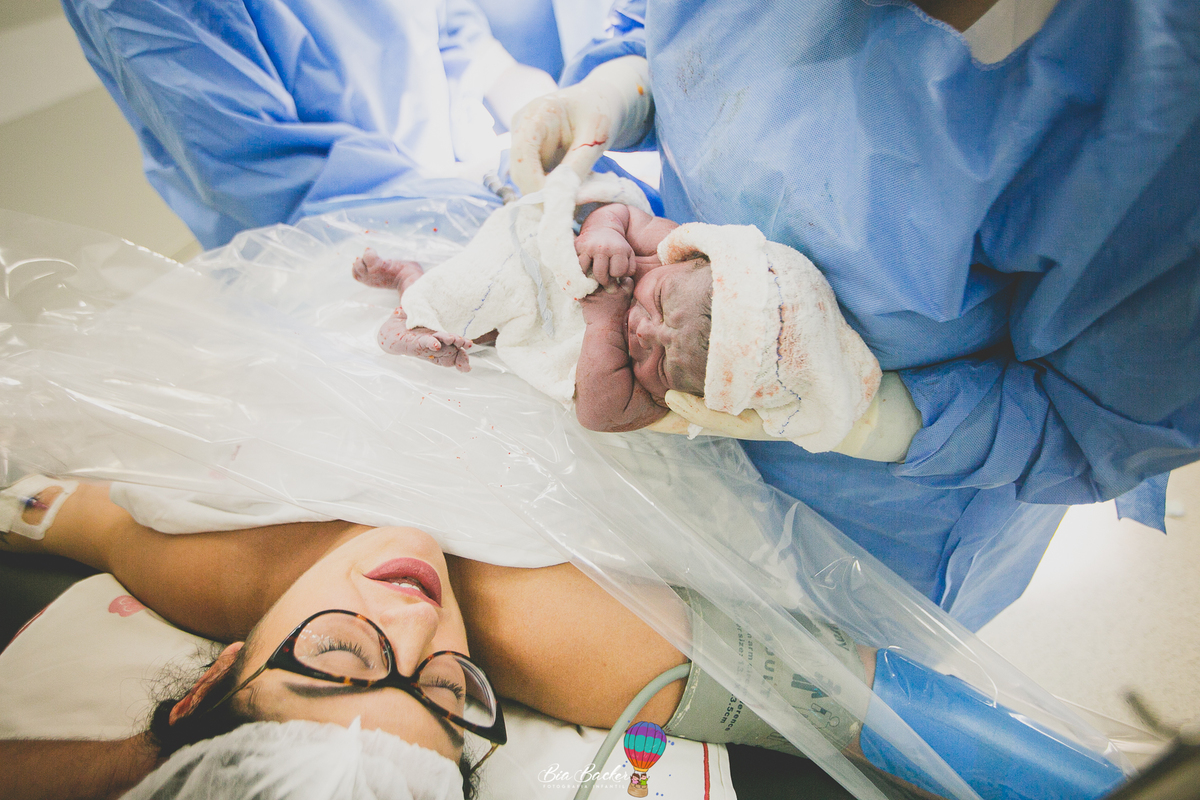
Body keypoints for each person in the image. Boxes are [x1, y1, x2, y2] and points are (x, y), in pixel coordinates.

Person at [508, 0, 1200, 631]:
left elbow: (1093, 422)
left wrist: (868, 419)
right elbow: (680, 34)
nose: (642, 327)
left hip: (870, 519)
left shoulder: (1155, 110)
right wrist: (617, 91)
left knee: (802, 667)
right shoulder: (669, 253)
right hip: (670, 480)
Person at [1, 476, 1128, 800]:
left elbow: (72, 511)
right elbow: (886, 709)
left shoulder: (219, 562)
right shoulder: (525, 624)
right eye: (451, 691)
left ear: (211, 680)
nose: (414, 617)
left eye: (340, 656)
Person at [358, 192, 881, 451]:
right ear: (692, 259)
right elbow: (618, 211)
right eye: (661, 301)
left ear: (691, 393)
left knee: (481, 325)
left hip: (542, 330)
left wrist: (605, 324)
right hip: (541, 264)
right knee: (490, 277)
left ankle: (412, 286)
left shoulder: (662, 398)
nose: (644, 331)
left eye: (661, 361)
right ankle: (412, 304)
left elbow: (598, 414)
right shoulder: (665, 245)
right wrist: (604, 232)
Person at [61, 0, 559, 250]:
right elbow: (267, 182)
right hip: (324, 262)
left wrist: (522, 93)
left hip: (466, 207)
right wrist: (493, 189)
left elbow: (446, 33)